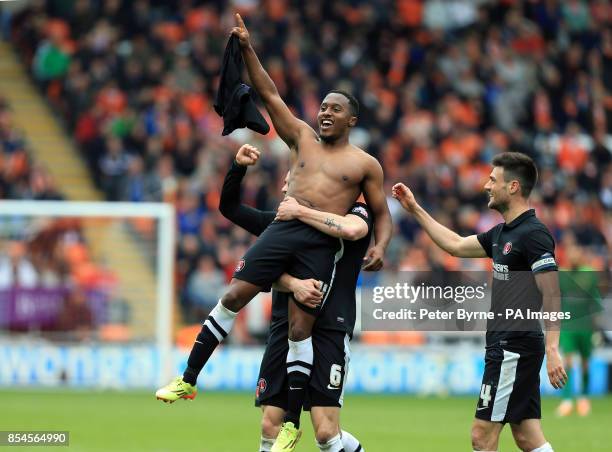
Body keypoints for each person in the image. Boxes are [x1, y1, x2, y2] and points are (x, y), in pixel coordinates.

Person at [156, 13, 392, 450]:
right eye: (322, 106)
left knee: (299, 331)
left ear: (351, 120)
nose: (325, 113)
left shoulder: (365, 165)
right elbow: (268, 92)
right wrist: (246, 47)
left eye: (334, 109)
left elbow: (381, 213)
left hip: (322, 243)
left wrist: (380, 244)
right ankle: (188, 378)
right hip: (284, 227)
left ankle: (292, 423)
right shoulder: (300, 137)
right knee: (232, 296)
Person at [392, 152, 567, 452]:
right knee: (527, 435)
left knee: (481, 436)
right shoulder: (502, 234)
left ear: (513, 187)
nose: (486, 185)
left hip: (514, 346)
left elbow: (552, 293)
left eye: (492, 179)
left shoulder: (534, 234)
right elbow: (456, 245)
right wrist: (415, 209)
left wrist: (553, 348)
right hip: (507, 344)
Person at [221, 144, 369, 452]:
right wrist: (238, 167)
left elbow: (354, 231)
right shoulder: (277, 226)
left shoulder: (353, 211)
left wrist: (302, 212)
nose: (288, 186)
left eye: (296, 181)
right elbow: (230, 208)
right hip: (284, 330)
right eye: (287, 182)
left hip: (329, 325)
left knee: (326, 433)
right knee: (269, 425)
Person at [556, 243, 603, 417]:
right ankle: (567, 400)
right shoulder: (562, 274)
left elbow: (595, 300)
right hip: (568, 325)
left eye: (577, 253)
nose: (574, 257)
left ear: (581, 255)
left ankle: (583, 398)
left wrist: (597, 328)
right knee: (567, 362)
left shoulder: (589, 274)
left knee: (584, 364)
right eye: (571, 253)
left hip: (586, 326)